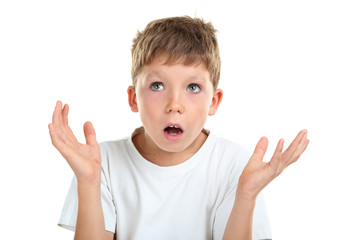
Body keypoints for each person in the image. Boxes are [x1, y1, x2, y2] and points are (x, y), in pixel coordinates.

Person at [49, 16, 309, 240]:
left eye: (193, 88)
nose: (174, 104)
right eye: (157, 86)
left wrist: (246, 197)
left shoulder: (235, 165)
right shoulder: (100, 163)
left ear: (214, 101)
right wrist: (88, 182)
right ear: (133, 99)